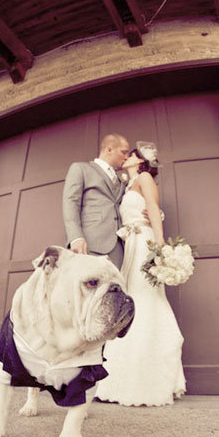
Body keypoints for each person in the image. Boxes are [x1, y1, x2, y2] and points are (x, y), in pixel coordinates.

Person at [95, 141, 186, 406]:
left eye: (130, 154)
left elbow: (153, 209)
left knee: (146, 300)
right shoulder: (126, 186)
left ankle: (150, 378)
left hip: (145, 244)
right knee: (131, 300)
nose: (125, 157)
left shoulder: (145, 178)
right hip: (131, 246)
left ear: (139, 160)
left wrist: (159, 249)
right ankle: (121, 375)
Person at [62, 134, 130, 269]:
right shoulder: (81, 168)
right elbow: (70, 202)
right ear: (109, 150)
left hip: (119, 248)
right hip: (90, 242)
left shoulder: (122, 180)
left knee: (114, 289)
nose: (126, 157)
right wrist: (75, 237)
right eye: (124, 152)